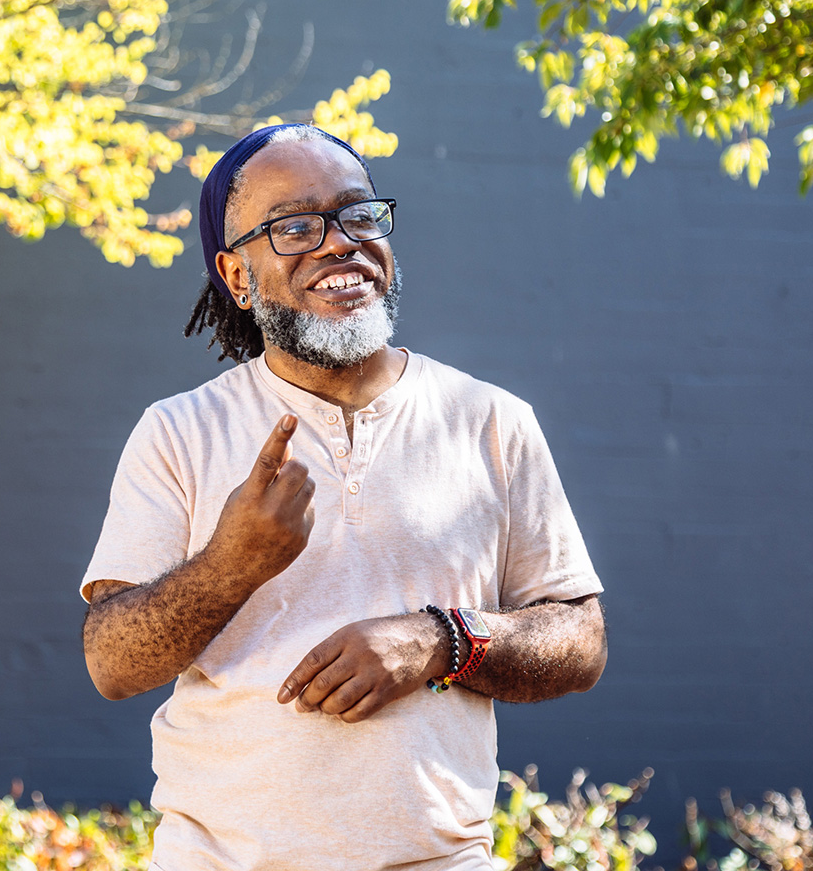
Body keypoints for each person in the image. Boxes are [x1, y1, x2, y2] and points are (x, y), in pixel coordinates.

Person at [80, 124, 607, 871]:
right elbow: (112, 663)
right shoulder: (179, 432)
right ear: (236, 275)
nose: (339, 243)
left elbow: (580, 642)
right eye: (295, 228)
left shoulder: (491, 421)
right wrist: (231, 565)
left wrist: (441, 641)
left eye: (358, 214)